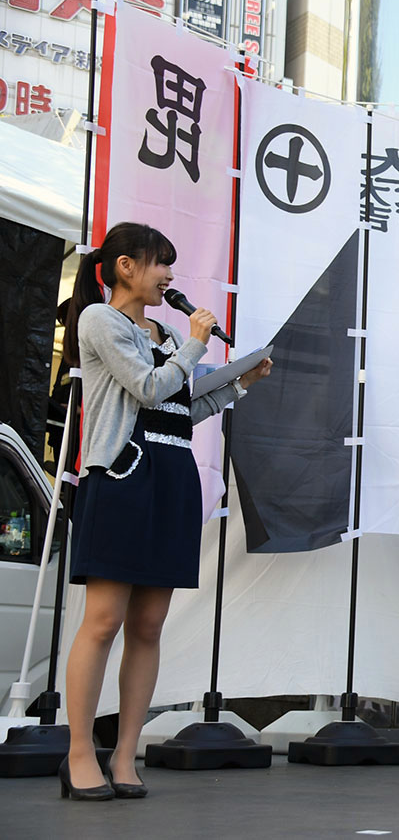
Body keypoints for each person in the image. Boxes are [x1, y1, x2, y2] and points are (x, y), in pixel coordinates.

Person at [59, 222, 272, 801]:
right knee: (104, 620)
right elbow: (148, 389)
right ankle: (79, 752)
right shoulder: (100, 320)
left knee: (150, 625)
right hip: (122, 476)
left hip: (172, 478)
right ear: (125, 266)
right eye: (160, 263)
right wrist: (197, 345)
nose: (169, 276)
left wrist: (239, 383)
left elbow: (181, 408)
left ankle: (125, 755)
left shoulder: (168, 333)